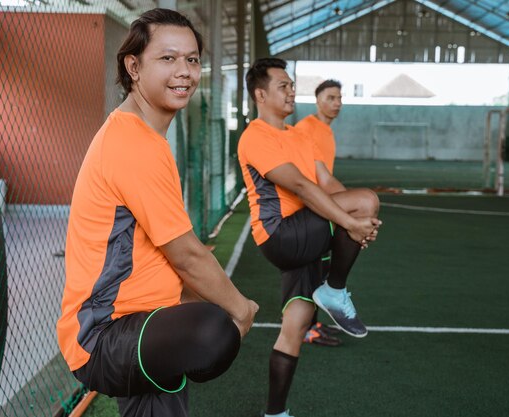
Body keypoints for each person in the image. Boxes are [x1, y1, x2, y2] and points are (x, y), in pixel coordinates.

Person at [56, 9, 258, 417]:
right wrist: (241, 310)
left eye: (192, 59)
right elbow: (186, 252)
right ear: (133, 66)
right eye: (167, 58)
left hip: (143, 322)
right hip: (103, 336)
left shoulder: (141, 135)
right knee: (211, 330)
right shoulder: (133, 142)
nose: (184, 71)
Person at [238, 58, 380, 417]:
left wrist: (355, 221)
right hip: (281, 235)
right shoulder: (255, 136)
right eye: (283, 86)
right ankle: (334, 289)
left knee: (296, 324)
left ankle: (275, 413)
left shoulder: (299, 135)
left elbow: (326, 182)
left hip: (308, 230)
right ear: (260, 93)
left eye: (291, 85)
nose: (291, 91)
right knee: (366, 201)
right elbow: (300, 186)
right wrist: (353, 218)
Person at [295, 79, 344, 347]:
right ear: (317, 100)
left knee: (319, 270)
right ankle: (303, 329)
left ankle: (312, 324)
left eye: (339, 98)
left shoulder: (326, 130)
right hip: (309, 209)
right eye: (330, 98)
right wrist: (349, 206)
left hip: (322, 207)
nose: (336, 103)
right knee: (307, 271)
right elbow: (311, 177)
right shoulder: (305, 129)